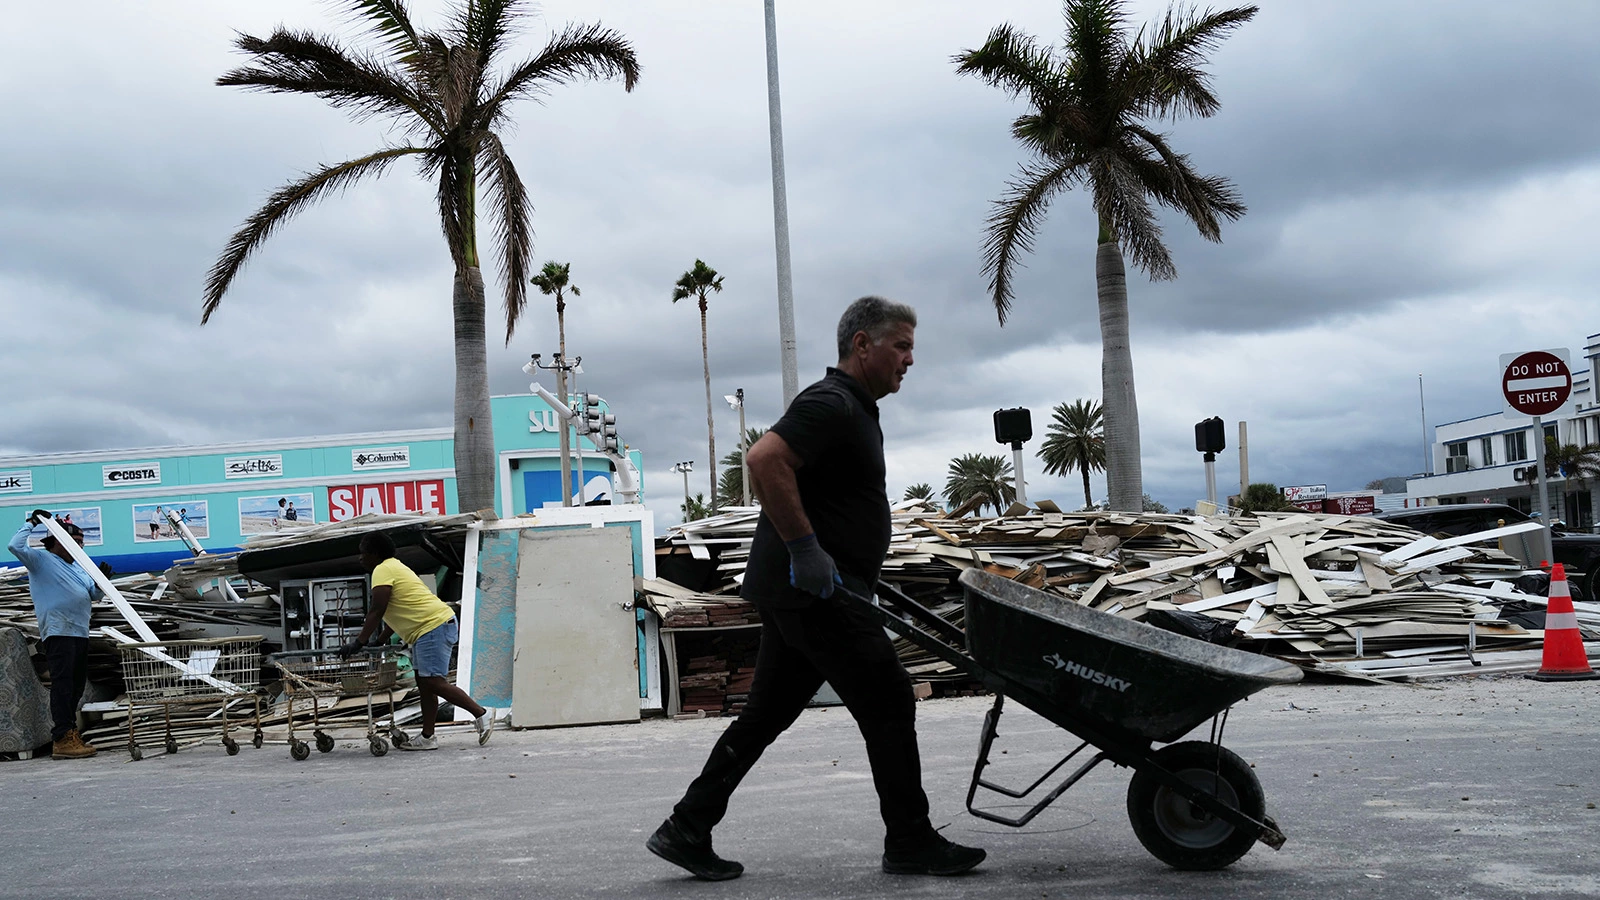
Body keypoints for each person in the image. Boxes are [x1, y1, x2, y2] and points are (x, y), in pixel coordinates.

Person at [647, 296, 984, 880]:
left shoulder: (853, 407)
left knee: (765, 714)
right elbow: (765, 459)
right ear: (861, 344)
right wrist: (806, 549)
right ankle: (909, 840)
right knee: (888, 699)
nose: (910, 358)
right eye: (900, 345)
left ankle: (687, 826)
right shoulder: (833, 403)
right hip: (816, 592)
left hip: (808, 591)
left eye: (910, 346)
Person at [342, 531, 493, 750]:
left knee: (432, 681)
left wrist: (359, 642)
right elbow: (398, 612)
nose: (360, 558)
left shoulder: (382, 569)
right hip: (433, 626)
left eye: (363, 553)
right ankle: (427, 737)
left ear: (374, 554)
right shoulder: (395, 566)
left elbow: (378, 609)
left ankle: (481, 714)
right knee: (425, 685)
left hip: (432, 627)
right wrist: (380, 640)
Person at [8, 510, 100, 759]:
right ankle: (61, 737)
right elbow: (14, 545)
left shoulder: (79, 568)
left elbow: (93, 595)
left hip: (80, 632)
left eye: (82, 543)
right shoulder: (41, 560)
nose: (80, 547)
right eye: (76, 542)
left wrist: (103, 581)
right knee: (63, 684)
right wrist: (31, 523)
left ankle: (70, 732)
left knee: (76, 686)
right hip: (59, 632)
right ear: (59, 541)